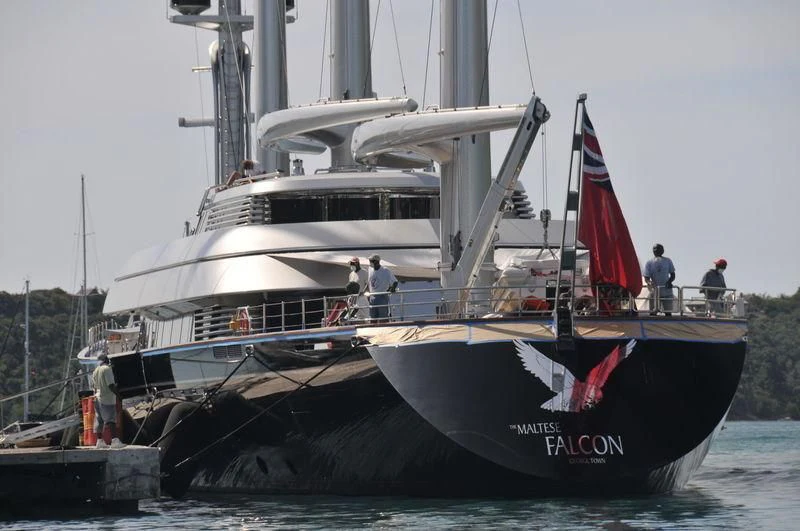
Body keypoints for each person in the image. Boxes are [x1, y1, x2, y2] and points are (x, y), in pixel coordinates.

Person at [91, 353, 124, 448]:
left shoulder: (95, 371)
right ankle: (114, 441)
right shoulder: (107, 369)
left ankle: (100, 441)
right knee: (111, 420)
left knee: (99, 420)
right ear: (106, 360)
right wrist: (119, 395)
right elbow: (111, 385)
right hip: (107, 398)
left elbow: (94, 386)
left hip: (97, 397)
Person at [643, 243, 676, 316]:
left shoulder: (668, 261)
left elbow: (673, 274)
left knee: (668, 312)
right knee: (653, 313)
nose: (656, 250)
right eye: (654, 249)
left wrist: (670, 281)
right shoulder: (649, 262)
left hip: (666, 291)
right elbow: (646, 276)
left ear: (663, 250)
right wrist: (649, 282)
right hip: (654, 291)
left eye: (658, 249)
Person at [366, 254, 398, 322]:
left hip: (382, 296)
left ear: (376, 261)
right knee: (372, 318)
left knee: (383, 318)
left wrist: (392, 288)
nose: (370, 263)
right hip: (372, 297)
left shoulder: (385, 270)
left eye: (371, 261)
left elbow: (395, 282)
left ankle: (384, 330)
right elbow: (369, 282)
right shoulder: (370, 269)